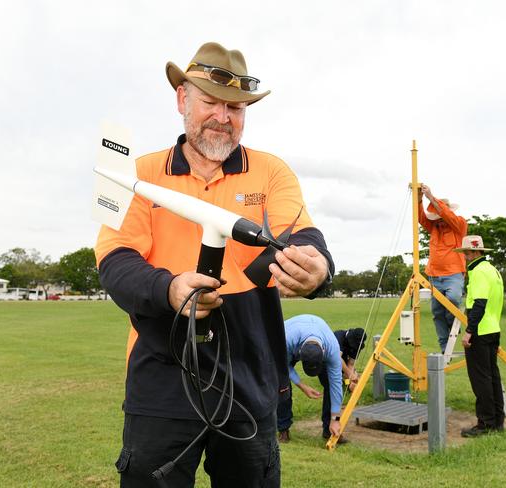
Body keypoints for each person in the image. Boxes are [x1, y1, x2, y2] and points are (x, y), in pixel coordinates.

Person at [95, 42, 334, 487]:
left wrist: (316, 265)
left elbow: (299, 233)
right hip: (161, 373)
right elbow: (115, 261)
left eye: (237, 108)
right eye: (211, 102)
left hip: (248, 372)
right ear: (182, 99)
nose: (224, 117)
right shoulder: (139, 172)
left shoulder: (271, 171)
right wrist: (168, 289)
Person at [277, 315, 364, 444]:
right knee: (282, 384)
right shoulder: (286, 341)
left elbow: (335, 383)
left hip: (317, 332)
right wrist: (302, 385)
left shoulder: (332, 348)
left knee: (332, 383)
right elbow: (282, 365)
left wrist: (336, 419)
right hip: (290, 337)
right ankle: (283, 429)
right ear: (300, 352)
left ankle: (329, 429)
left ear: (323, 352)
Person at [454, 235, 505, 437]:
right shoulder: (493, 270)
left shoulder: (479, 272)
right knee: (492, 377)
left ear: (476, 252)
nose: (465, 257)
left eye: (467, 252)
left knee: (480, 379)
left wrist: (469, 332)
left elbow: (479, 304)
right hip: (493, 329)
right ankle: (497, 421)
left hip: (480, 331)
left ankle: (485, 423)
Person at [418, 183, 468, 353]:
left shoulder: (459, 224)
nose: (438, 220)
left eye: (440, 215)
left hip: (453, 274)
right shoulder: (434, 228)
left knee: (453, 299)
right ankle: (444, 348)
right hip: (434, 275)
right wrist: (419, 200)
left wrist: (431, 197)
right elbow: (422, 218)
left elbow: (446, 214)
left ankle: (453, 321)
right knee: (437, 312)